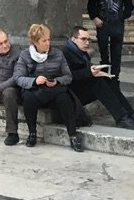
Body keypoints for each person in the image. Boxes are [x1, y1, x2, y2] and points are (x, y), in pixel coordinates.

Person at [61, 26, 134, 130]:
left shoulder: (81, 53)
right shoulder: (66, 53)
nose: (87, 43)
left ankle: (130, 115)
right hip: (72, 94)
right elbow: (69, 77)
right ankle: (121, 118)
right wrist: (90, 72)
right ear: (73, 39)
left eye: (89, 39)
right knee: (97, 83)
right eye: (83, 39)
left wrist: (96, 71)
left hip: (81, 88)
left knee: (110, 82)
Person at [14, 23, 84, 152]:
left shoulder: (58, 54)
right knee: (28, 99)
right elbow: (18, 77)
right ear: (35, 42)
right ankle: (32, 134)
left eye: (49, 39)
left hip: (53, 89)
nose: (48, 43)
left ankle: (73, 135)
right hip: (35, 89)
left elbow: (68, 76)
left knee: (64, 98)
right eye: (44, 40)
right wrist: (35, 81)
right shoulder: (25, 55)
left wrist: (57, 81)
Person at [86, 0, 134, 78]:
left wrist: (122, 16)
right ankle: (104, 68)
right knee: (103, 46)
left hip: (117, 24)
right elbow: (91, 5)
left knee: (116, 50)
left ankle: (115, 74)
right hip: (102, 23)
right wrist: (94, 17)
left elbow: (129, 7)